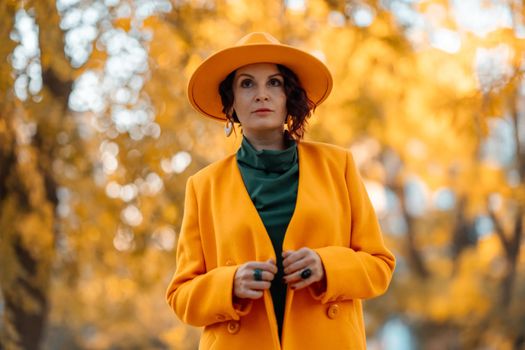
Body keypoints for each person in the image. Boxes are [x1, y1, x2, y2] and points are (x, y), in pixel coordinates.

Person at [166, 32, 395, 350]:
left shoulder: (338, 165)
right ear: (230, 102)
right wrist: (229, 284)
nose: (262, 94)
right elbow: (180, 296)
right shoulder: (203, 186)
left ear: (289, 96)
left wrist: (325, 265)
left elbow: (379, 265)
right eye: (247, 84)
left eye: (274, 83)